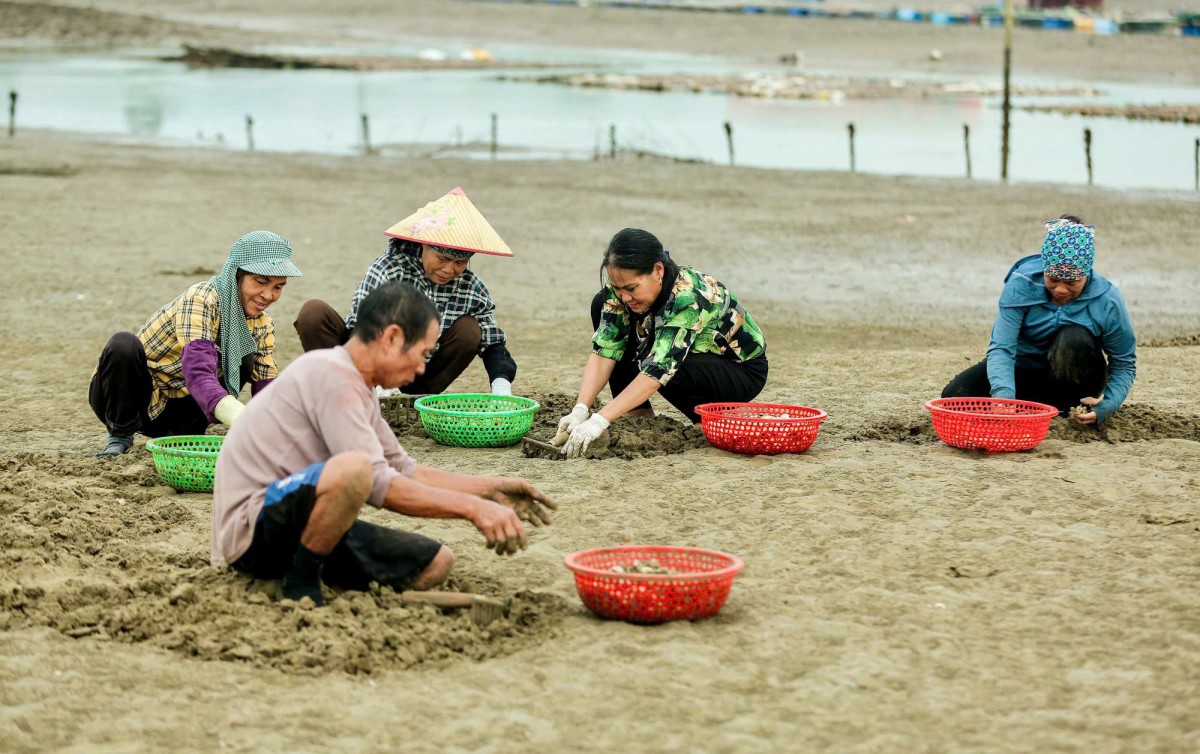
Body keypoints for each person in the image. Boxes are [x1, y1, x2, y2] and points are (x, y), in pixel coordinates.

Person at [212, 281, 556, 606]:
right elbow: (374, 480)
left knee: (436, 562)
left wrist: (489, 491)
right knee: (354, 469)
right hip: (253, 531)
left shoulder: (360, 386)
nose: (421, 369)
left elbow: (403, 469)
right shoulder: (332, 374)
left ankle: (317, 578)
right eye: (422, 354)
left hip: (303, 523)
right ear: (391, 338)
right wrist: (472, 510)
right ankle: (300, 586)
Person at [555, 227, 768, 458]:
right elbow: (605, 349)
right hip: (684, 356)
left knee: (665, 357)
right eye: (618, 288)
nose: (624, 296)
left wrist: (599, 420)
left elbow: (659, 369)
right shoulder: (622, 285)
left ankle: (703, 419)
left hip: (739, 371)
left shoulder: (687, 297)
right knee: (602, 304)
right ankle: (638, 413)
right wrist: (580, 409)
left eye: (631, 288)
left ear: (658, 270)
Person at [89, 230, 302, 457]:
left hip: (180, 408)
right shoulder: (201, 299)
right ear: (235, 275)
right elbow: (198, 371)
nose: (268, 295)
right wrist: (241, 418)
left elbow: (266, 386)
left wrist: (278, 432)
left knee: (246, 356)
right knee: (123, 344)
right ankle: (120, 435)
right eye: (260, 282)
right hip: (130, 399)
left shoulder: (262, 324)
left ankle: (184, 433)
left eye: (278, 287)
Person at [294, 187, 518, 396]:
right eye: (442, 259)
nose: (449, 270)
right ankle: (339, 388)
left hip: (418, 376)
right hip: (363, 363)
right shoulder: (389, 269)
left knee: (470, 330)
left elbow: (492, 343)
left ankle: (416, 399)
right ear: (424, 245)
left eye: (460, 263)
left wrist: (501, 385)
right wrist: (378, 378)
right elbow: (363, 328)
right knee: (313, 312)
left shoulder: (470, 286)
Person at [941, 215, 1136, 425]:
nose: (1061, 289)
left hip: (1076, 378)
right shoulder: (1021, 285)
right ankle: (1030, 405)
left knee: (1073, 336)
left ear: (1086, 274)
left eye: (1072, 283)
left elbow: (1124, 363)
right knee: (953, 397)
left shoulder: (1108, 300)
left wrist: (1109, 404)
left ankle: (1063, 409)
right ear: (1045, 268)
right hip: (1024, 368)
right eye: (1053, 279)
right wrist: (1003, 397)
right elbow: (1002, 348)